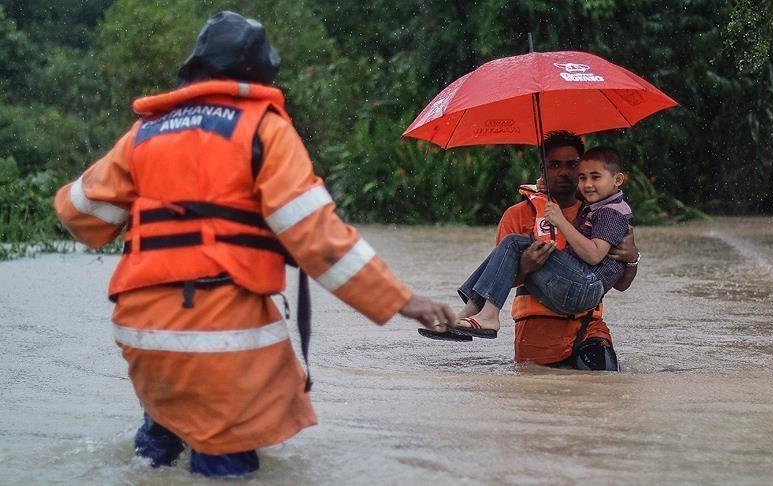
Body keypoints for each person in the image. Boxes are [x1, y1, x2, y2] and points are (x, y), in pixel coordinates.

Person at [53, 11, 454, 477]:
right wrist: (402, 299)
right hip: (221, 337)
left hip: (142, 335)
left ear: (195, 70)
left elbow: (79, 214)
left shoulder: (144, 133)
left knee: (158, 449)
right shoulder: (264, 130)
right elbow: (317, 240)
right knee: (226, 461)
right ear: (260, 73)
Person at [422, 131, 639, 370]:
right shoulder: (518, 215)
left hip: (588, 328)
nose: (564, 172)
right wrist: (524, 268)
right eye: (554, 165)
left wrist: (632, 259)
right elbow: (501, 277)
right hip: (535, 335)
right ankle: (467, 317)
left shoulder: (598, 210)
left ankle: (479, 315)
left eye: (572, 165)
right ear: (542, 171)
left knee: (604, 390)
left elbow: (621, 284)